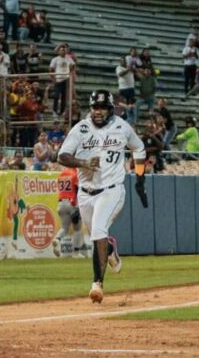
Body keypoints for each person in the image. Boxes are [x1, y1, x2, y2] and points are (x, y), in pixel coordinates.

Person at [58, 90, 147, 304]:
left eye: (103, 107)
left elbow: (139, 148)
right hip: (86, 194)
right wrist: (83, 163)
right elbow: (62, 156)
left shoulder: (121, 126)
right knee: (98, 237)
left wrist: (140, 177)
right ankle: (110, 249)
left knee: (98, 230)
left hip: (112, 189)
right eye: (95, 107)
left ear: (110, 109)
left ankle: (97, 284)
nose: (98, 112)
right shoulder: (81, 128)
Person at [52, 167, 85, 258]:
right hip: (72, 203)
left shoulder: (61, 174)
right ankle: (76, 252)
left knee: (64, 228)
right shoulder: (75, 174)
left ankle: (57, 239)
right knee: (77, 229)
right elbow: (78, 191)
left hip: (61, 202)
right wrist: (77, 206)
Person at [49, 44, 75, 117]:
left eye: (64, 50)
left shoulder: (68, 58)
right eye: (61, 50)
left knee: (64, 96)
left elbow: (73, 65)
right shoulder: (55, 59)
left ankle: (62, 111)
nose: (63, 51)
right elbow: (51, 69)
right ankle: (55, 110)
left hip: (66, 79)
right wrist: (53, 79)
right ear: (59, 51)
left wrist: (69, 71)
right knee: (56, 95)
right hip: (58, 79)